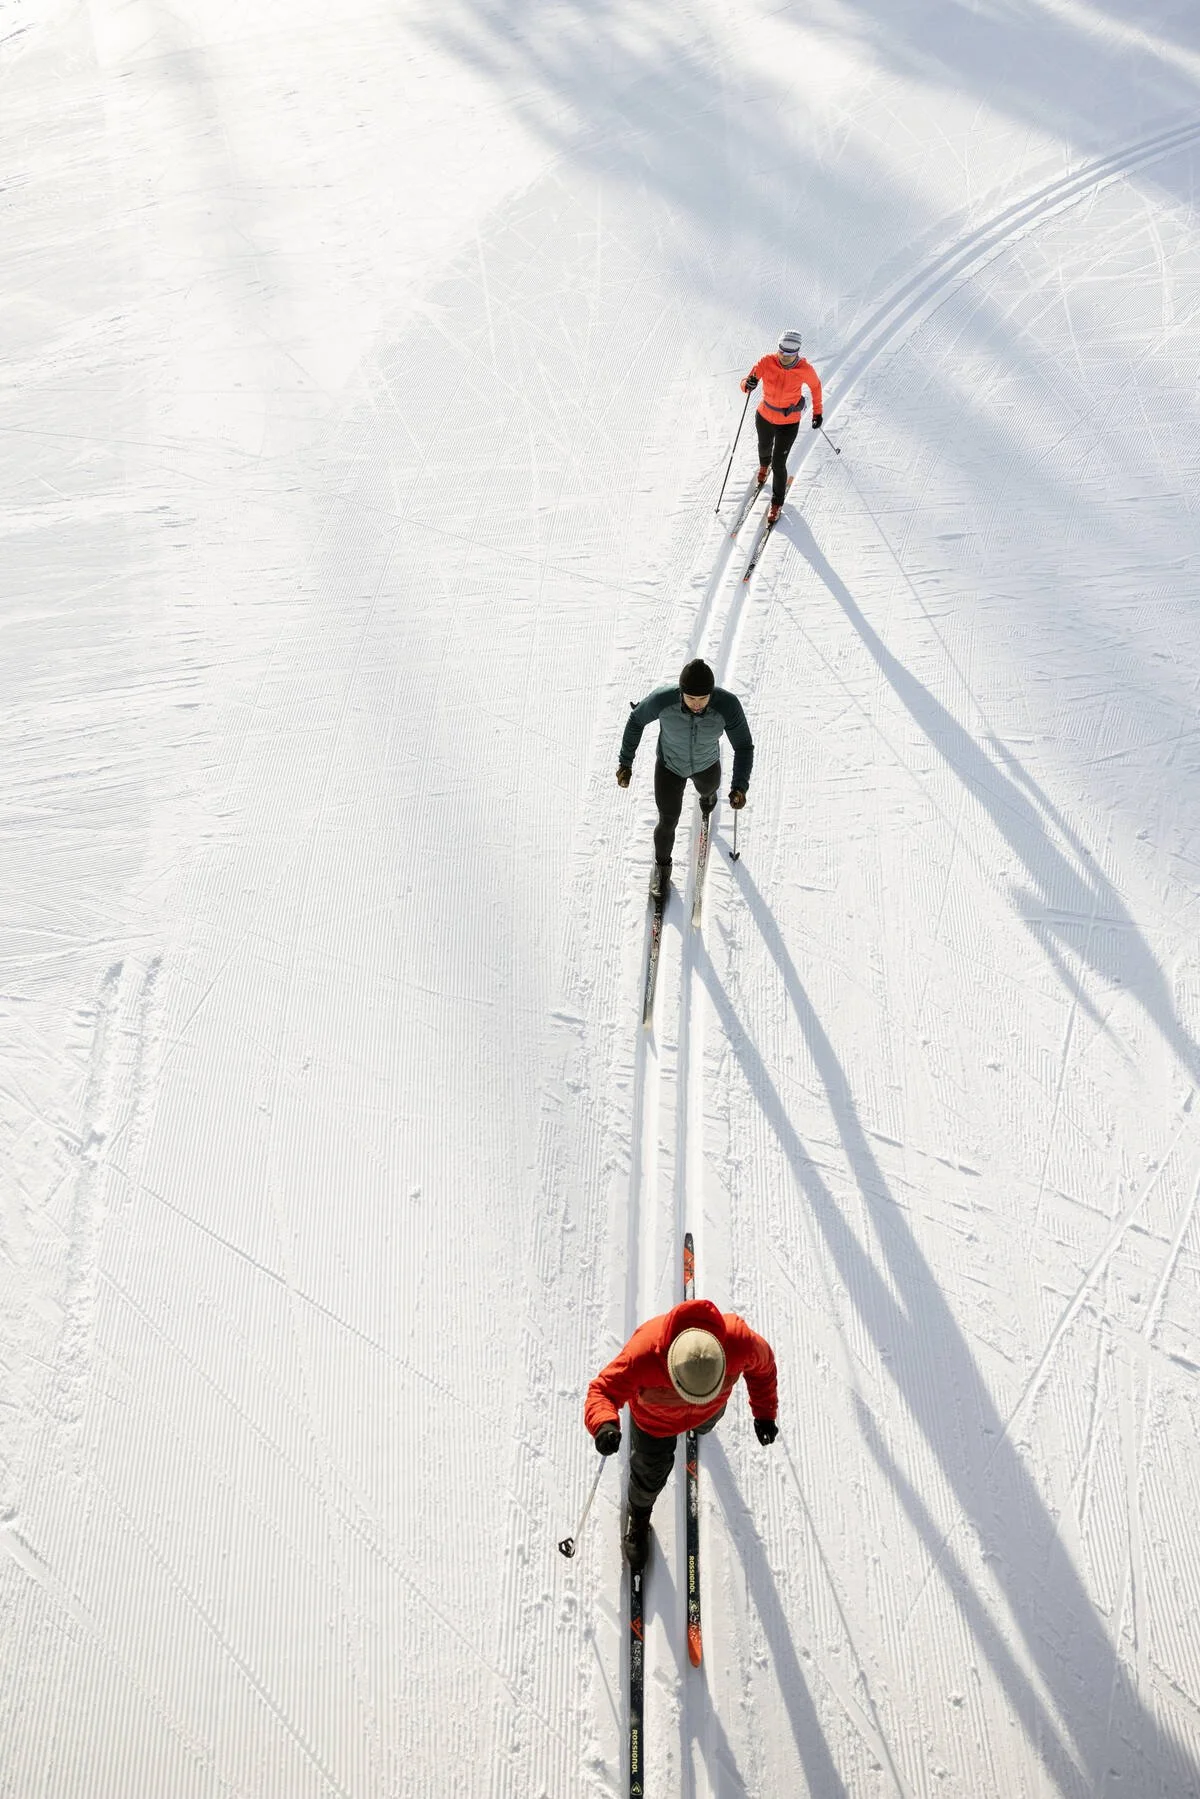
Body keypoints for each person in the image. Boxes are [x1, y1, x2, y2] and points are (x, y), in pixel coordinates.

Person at [585, 1294, 778, 1569]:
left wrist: (765, 1413)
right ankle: (639, 1516)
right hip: (655, 1425)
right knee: (649, 1474)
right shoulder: (643, 1354)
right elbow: (602, 1390)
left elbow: (764, 1369)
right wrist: (603, 1423)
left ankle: (702, 1421)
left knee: (706, 1422)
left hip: (709, 1411)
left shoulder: (740, 1341)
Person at [617, 659, 753, 898]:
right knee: (667, 821)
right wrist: (625, 763)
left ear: (712, 694)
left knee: (709, 790)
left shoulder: (728, 706)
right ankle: (662, 870)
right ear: (681, 693)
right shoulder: (663, 700)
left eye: (703, 699)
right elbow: (636, 720)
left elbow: (743, 746)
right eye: (691, 698)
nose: (697, 705)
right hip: (670, 767)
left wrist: (740, 786)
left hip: (707, 764)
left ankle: (708, 798)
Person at [740, 329, 823, 524]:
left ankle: (777, 502)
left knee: (779, 464)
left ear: (797, 353)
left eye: (789, 354)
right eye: (781, 351)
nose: (784, 357)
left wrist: (817, 412)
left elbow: (816, 388)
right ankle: (763, 465)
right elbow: (745, 383)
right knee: (764, 447)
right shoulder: (767, 362)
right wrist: (748, 384)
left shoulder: (805, 369)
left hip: (788, 423)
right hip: (765, 416)